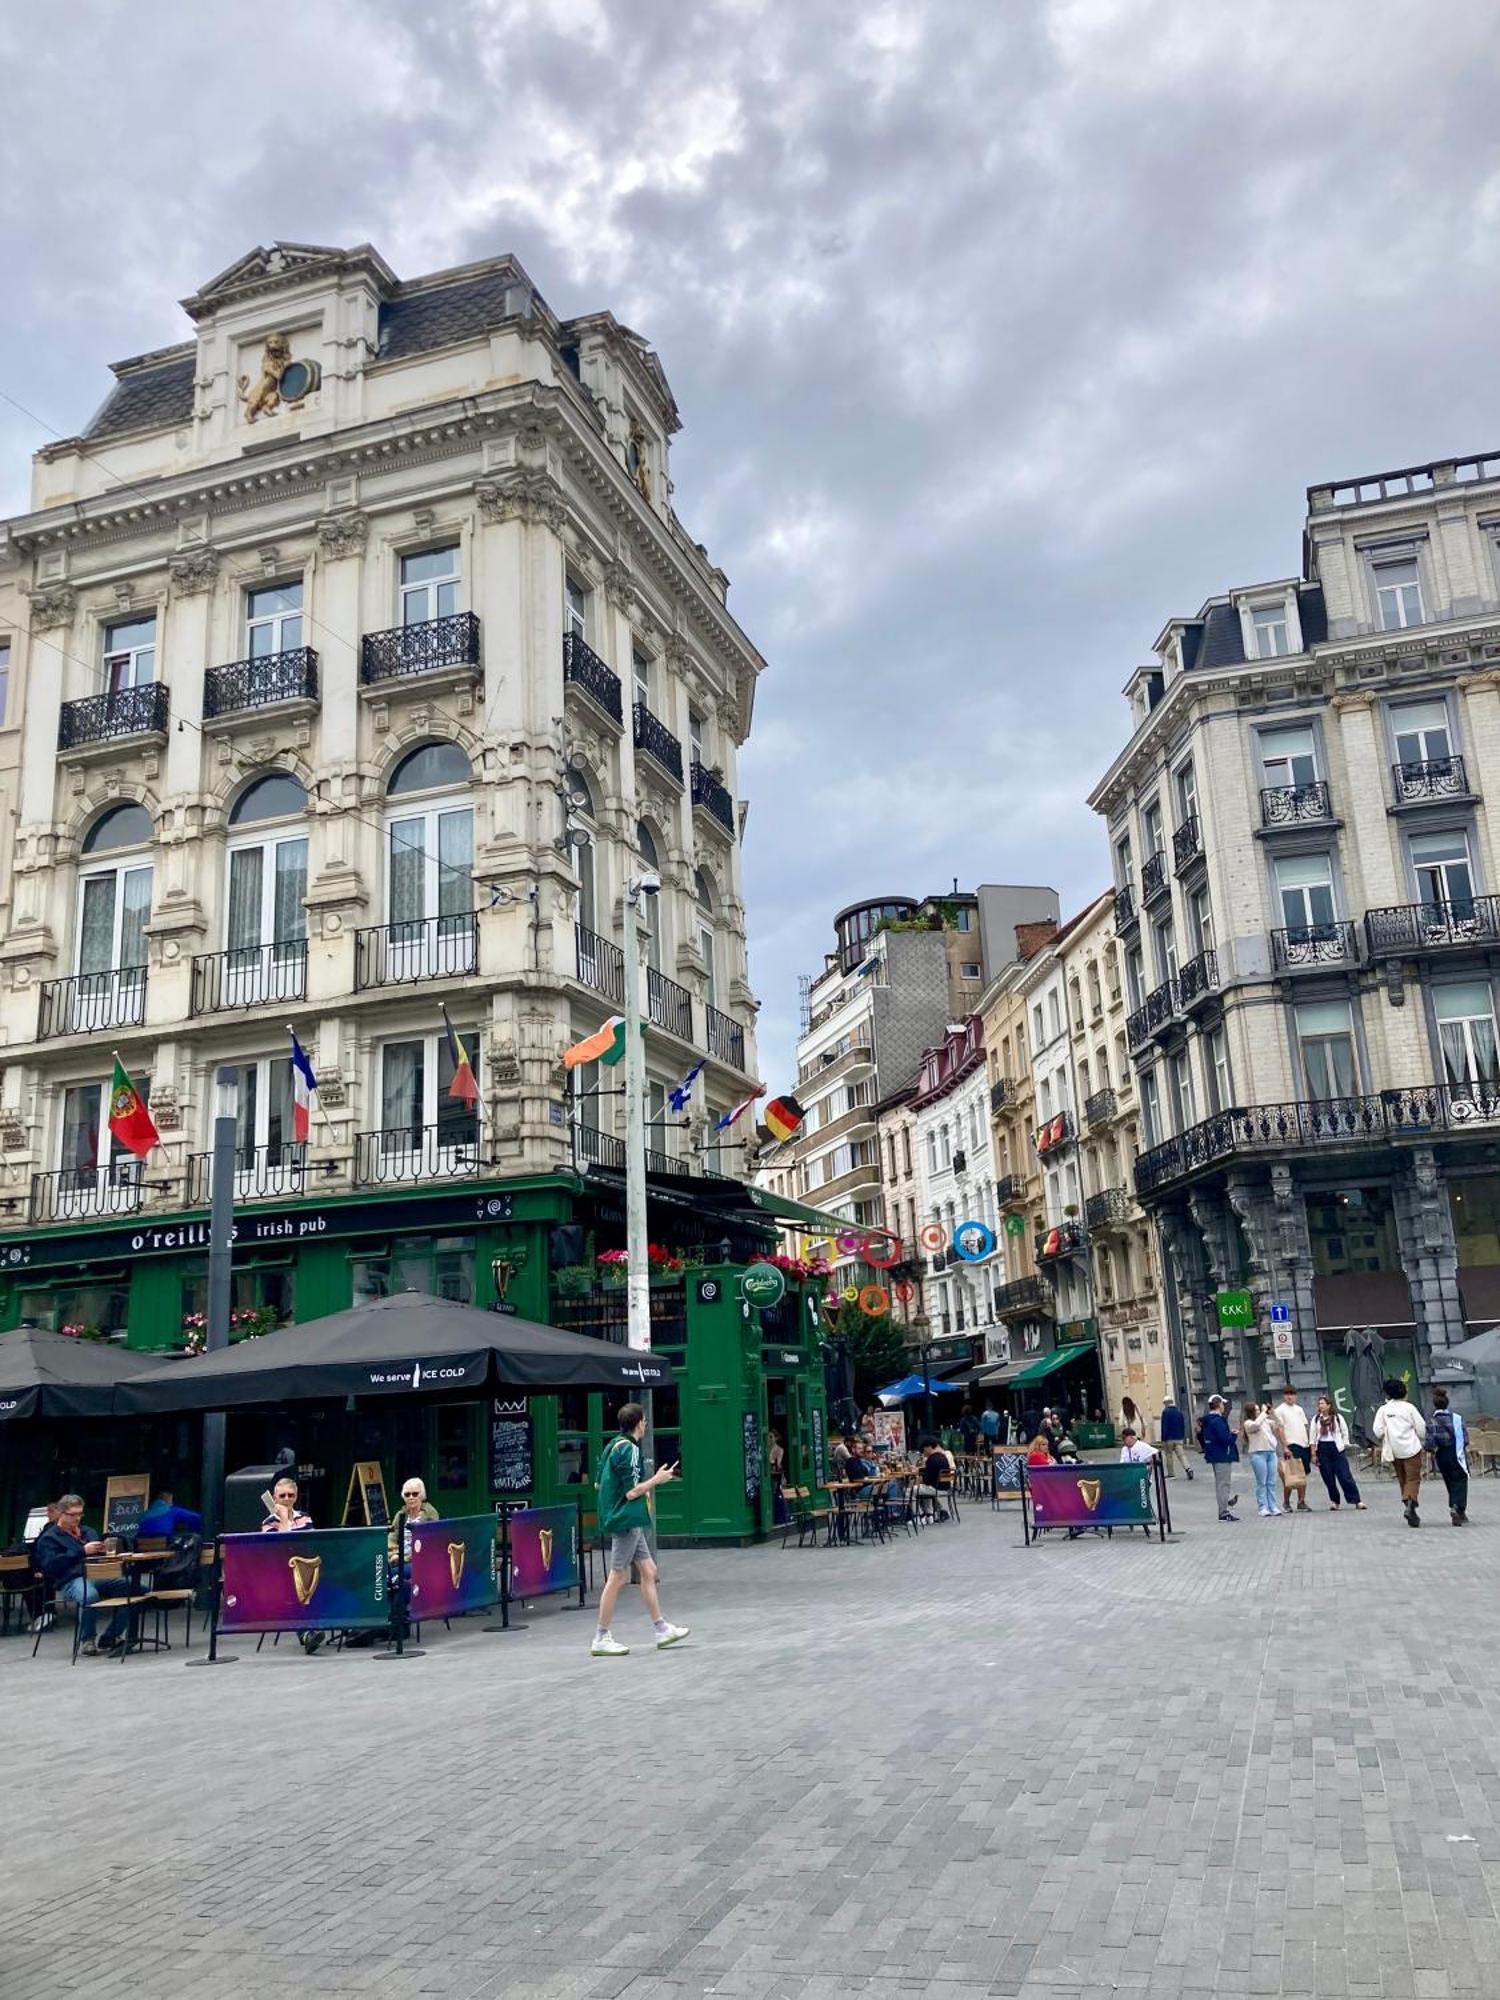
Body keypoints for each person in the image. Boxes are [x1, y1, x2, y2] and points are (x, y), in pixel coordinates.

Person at [590, 1403, 688, 1658]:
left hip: (622, 1518)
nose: (646, 1424)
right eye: (645, 1420)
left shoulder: (613, 1445)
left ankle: (661, 1629)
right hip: (626, 1520)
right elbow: (632, 1492)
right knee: (618, 1577)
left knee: (649, 1570)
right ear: (638, 1423)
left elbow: (598, 1483)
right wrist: (657, 1479)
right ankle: (601, 1636)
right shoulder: (631, 1450)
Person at [32, 1494, 131, 1655]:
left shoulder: (88, 1531)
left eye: (80, 1514)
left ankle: (111, 1636)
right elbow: (50, 1566)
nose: (77, 1518)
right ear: (61, 1514)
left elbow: (96, 1558)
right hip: (70, 1579)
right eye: (73, 1514)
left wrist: (103, 1551)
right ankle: (87, 1640)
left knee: (135, 1588)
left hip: (98, 1575)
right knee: (89, 1595)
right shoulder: (49, 1538)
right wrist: (82, 1551)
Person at [1373, 1377, 1428, 1527]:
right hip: (1411, 1448)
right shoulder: (1409, 1408)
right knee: (1413, 1478)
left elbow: (1377, 1431)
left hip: (1394, 1450)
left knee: (1402, 1479)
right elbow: (1422, 1429)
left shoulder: (1383, 1410)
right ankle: (1411, 1502)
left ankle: (1408, 1505)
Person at [1311, 1395, 1364, 1510]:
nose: (1320, 1406)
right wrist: (1313, 1454)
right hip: (1323, 1449)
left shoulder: (1337, 1418)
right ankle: (1335, 1501)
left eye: (1323, 1403)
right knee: (1328, 1477)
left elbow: (1344, 1432)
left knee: (1345, 1476)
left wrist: (1344, 1444)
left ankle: (1356, 1500)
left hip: (1336, 1448)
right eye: (1319, 1404)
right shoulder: (1316, 1419)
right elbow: (1312, 1437)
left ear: (1329, 1405)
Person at [1427, 1387, 1469, 1527]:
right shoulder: (1457, 1418)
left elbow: (1429, 1443)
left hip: (1442, 1454)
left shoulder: (1432, 1421)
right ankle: (1457, 1507)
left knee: (1449, 1481)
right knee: (1460, 1480)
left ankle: (1455, 1506)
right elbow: (1465, 1438)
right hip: (1456, 1453)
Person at [1199, 1395, 1240, 1522]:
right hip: (1222, 1455)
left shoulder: (1207, 1420)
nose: (1224, 1406)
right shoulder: (1218, 1421)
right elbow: (1225, 1439)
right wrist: (1233, 1435)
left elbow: (1201, 1437)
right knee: (1223, 1484)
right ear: (1219, 1405)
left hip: (1214, 1454)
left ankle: (1223, 1509)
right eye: (1223, 1404)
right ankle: (1223, 1512)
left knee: (1220, 1483)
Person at [1272, 1387, 1312, 1507]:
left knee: (1303, 1474)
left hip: (1304, 1444)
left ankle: (1301, 1501)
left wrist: (1310, 1443)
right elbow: (1280, 1429)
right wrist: (1285, 1446)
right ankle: (1286, 1502)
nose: (1290, 1397)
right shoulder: (1280, 1410)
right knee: (1290, 1474)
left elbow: (1305, 1426)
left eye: (1292, 1394)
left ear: (1296, 1396)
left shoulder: (1299, 1409)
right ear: (1284, 1396)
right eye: (1287, 1394)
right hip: (1291, 1444)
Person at [1240, 1401, 1281, 1516]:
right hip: (1258, 1453)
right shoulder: (1248, 1423)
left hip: (1271, 1453)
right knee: (1262, 1482)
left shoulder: (1265, 1421)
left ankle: (1273, 1505)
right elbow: (1256, 1425)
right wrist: (1264, 1413)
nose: (1259, 1412)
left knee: (1271, 1481)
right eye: (1256, 1410)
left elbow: (1279, 1424)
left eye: (1259, 1410)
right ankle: (1263, 1506)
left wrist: (1273, 1413)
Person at [387, 1477, 439, 1562]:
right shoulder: (400, 1514)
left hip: (422, 1559)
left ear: (421, 1495)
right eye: (407, 1494)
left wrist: (404, 1559)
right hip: (399, 1556)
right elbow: (391, 1538)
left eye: (415, 1494)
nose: (411, 1497)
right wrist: (394, 1554)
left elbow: (429, 1542)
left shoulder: (430, 1513)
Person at [136, 1488, 203, 1539]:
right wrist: (194, 1531)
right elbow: (197, 1517)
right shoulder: (172, 1510)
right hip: (163, 1545)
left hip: (142, 1547)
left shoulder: (144, 1514)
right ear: (168, 1497)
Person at [916, 1439, 951, 1521]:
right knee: (923, 1489)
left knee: (909, 1491)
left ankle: (916, 1515)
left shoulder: (931, 1459)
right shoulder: (943, 1457)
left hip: (936, 1488)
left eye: (924, 1451)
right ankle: (930, 1514)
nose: (924, 1454)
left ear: (928, 1448)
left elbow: (927, 1480)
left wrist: (919, 1479)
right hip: (945, 1487)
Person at [1158, 1398, 1192, 1480]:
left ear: (1166, 1403)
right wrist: (1182, 1435)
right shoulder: (1179, 1412)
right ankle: (1188, 1468)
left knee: (1169, 1455)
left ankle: (1171, 1474)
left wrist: (1163, 1438)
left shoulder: (1165, 1412)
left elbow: (1164, 1426)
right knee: (1181, 1455)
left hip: (1169, 1438)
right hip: (1178, 1437)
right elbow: (1182, 1425)